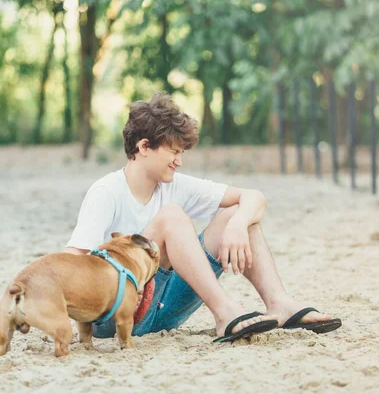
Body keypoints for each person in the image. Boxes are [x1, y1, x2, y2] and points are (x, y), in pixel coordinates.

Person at [65, 92, 341, 342]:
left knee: (238, 214)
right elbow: (73, 261)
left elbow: (254, 197)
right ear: (144, 147)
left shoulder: (174, 184)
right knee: (171, 217)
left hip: (164, 307)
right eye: (173, 151)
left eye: (181, 152)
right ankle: (225, 313)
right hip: (117, 316)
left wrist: (237, 224)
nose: (179, 160)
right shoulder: (106, 192)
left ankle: (280, 303)